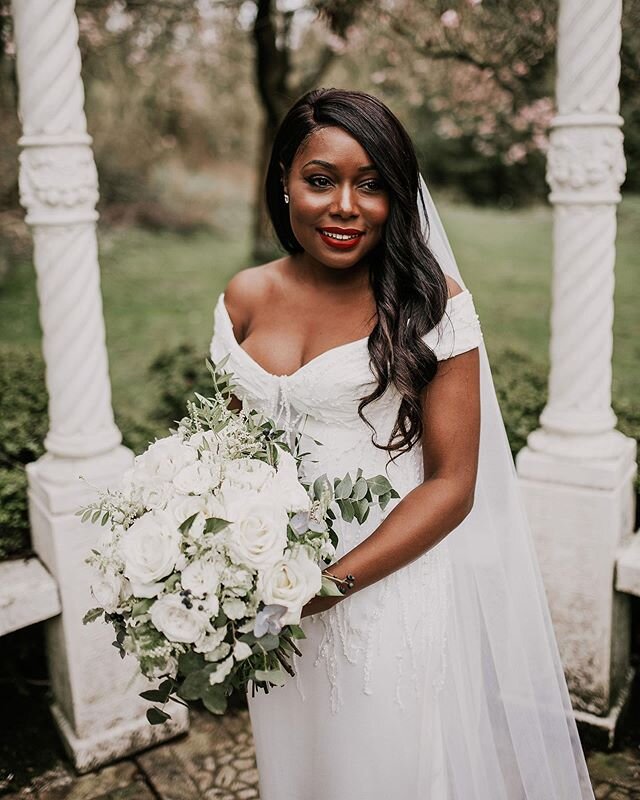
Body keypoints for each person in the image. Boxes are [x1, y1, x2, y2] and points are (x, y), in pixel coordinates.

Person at [209, 88, 595, 799]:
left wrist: (325, 588)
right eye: (320, 180)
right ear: (284, 180)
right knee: (298, 764)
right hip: (268, 594)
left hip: (383, 588)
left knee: (384, 770)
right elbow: (229, 450)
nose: (346, 206)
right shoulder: (245, 295)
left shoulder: (431, 304)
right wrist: (211, 564)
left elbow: (453, 485)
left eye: (372, 184)